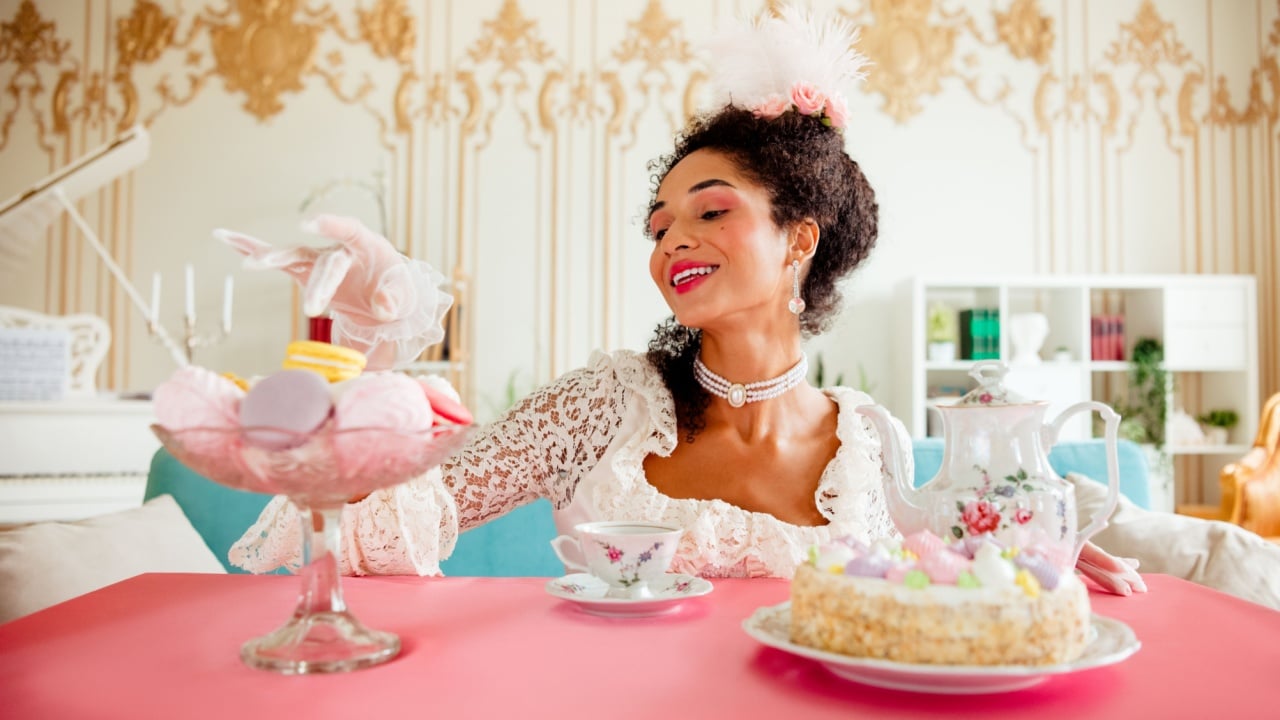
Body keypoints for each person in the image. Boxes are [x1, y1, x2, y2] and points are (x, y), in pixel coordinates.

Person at [225, 7, 1157, 595]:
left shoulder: (867, 438)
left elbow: (927, 563)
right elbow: (387, 518)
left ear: (801, 239)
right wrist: (370, 358)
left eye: (711, 211)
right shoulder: (607, 405)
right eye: (660, 223)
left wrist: (1025, 553)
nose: (673, 239)